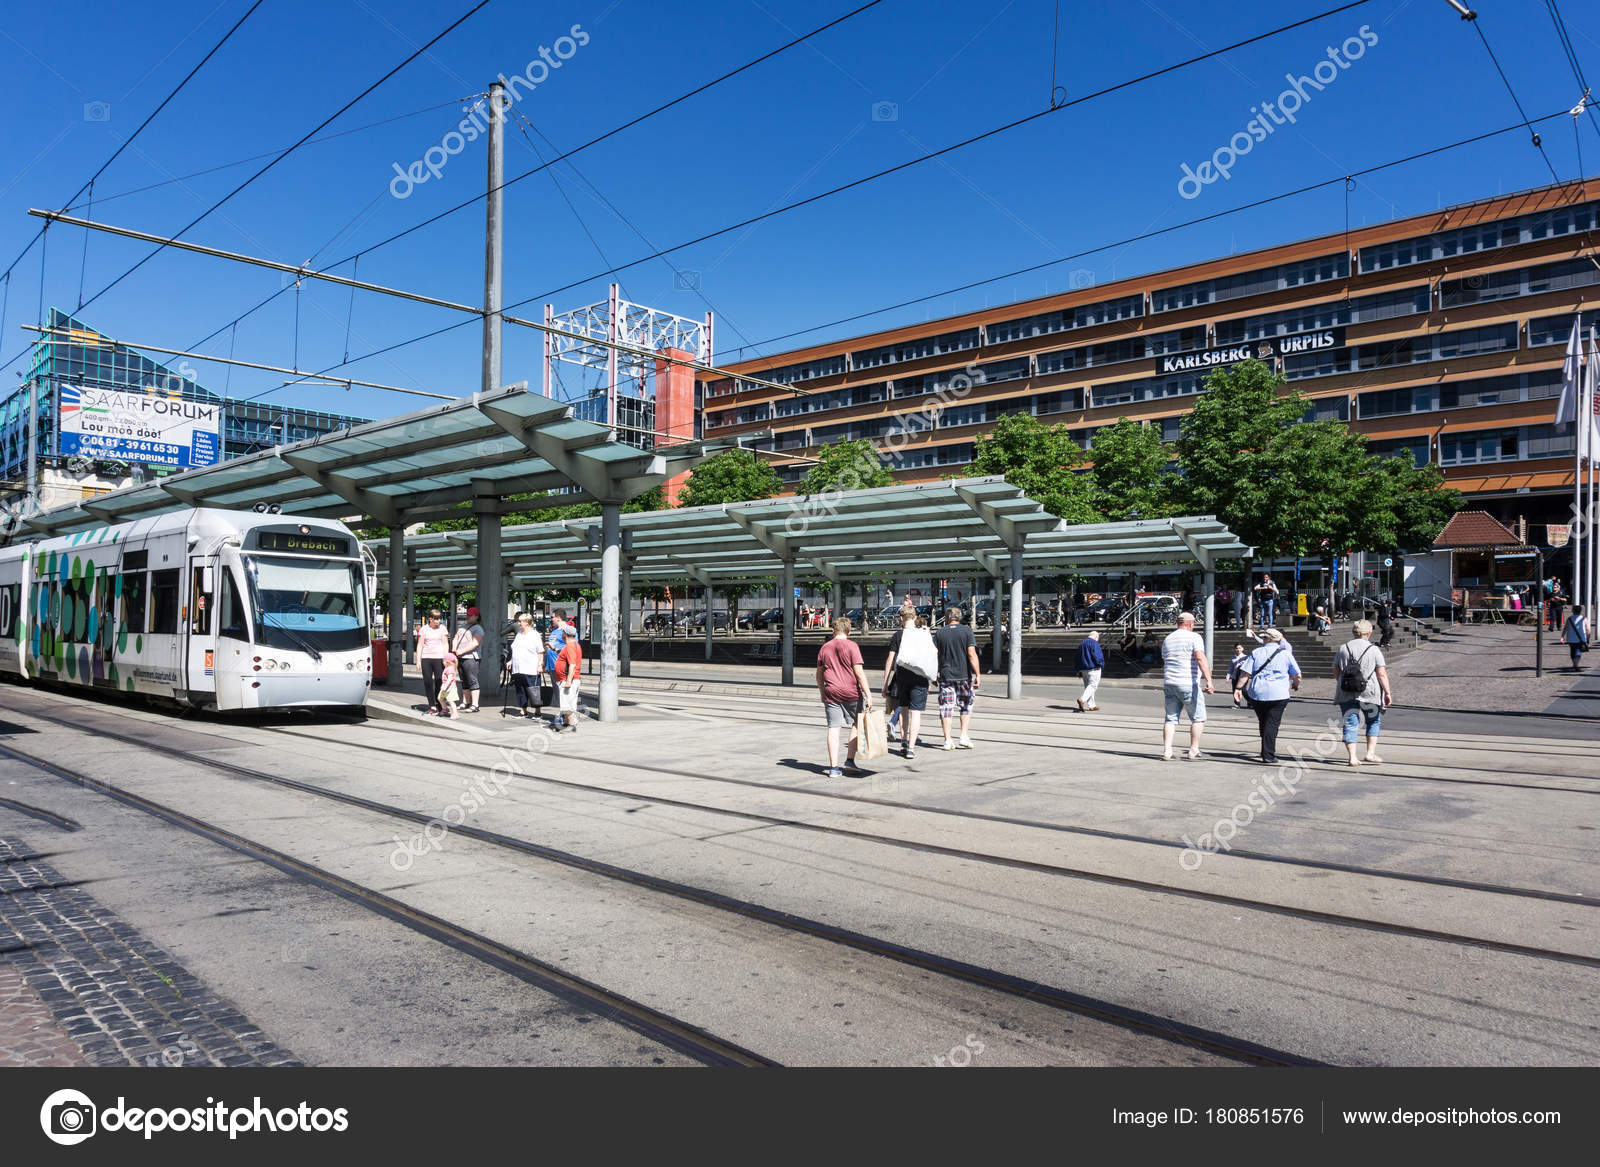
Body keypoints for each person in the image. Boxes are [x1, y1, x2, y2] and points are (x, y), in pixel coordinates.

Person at [1233, 628, 1301, 764]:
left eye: (1264, 638)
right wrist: (1295, 684)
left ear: (1268, 639)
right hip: (1279, 694)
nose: (1263, 640)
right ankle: (1268, 754)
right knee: (1272, 723)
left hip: (1258, 694)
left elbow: (1245, 673)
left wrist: (1238, 688)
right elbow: (1297, 674)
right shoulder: (1286, 654)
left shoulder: (1256, 652)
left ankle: (1265, 749)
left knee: (1263, 721)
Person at [816, 616, 871, 778]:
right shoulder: (852, 646)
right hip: (852, 693)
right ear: (849, 631)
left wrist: (822, 692)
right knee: (856, 724)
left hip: (831, 692)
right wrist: (868, 694)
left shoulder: (825, 648)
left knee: (833, 728)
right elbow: (859, 673)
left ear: (833, 631)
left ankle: (833, 768)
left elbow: (819, 675)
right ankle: (849, 760)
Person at [1333, 618, 1392, 767]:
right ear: (1369, 633)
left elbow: (1336, 670)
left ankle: (1352, 757)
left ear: (1354, 632)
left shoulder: (1343, 648)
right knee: (1373, 721)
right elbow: (1381, 674)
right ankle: (1370, 753)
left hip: (1347, 692)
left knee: (1350, 722)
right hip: (1369, 692)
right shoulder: (1373, 649)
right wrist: (1387, 693)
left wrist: (1343, 683)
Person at [882, 606, 935, 758]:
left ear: (900, 618)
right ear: (915, 617)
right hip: (920, 678)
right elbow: (930, 657)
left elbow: (890, 660)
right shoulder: (924, 634)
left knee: (903, 709)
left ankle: (904, 740)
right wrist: (930, 678)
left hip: (902, 678)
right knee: (916, 713)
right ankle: (911, 748)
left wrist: (885, 684)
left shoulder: (898, 635)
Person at [1160, 611, 1213, 761]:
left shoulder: (1168, 639)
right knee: (1198, 718)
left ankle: (1167, 751)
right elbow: (1200, 658)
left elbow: (1165, 660)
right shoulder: (1194, 637)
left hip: (1169, 682)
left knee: (1170, 718)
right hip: (1188, 682)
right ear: (1190, 623)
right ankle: (1193, 749)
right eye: (1194, 623)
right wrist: (1208, 680)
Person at [934, 605, 981, 748]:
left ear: (947, 618)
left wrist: (933, 674)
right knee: (966, 706)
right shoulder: (967, 631)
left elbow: (933, 655)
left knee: (946, 708)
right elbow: (972, 654)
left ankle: (948, 740)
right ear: (959, 617)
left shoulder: (940, 633)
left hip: (946, 676)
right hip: (964, 676)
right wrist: (978, 674)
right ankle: (964, 736)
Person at [509, 612, 545, 719]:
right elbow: (515, 649)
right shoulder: (519, 634)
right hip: (518, 667)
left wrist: (539, 665)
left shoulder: (535, 635)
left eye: (520, 621)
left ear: (527, 622)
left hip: (530, 667)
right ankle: (523, 710)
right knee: (520, 689)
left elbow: (540, 651)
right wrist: (510, 661)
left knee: (533, 689)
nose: (519, 623)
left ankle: (537, 710)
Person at [452, 605, 486, 712]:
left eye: (470, 615)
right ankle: (465, 702)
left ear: (476, 617)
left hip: (471, 658)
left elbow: (475, 643)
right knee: (464, 681)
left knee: (472, 680)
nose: (468, 617)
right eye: (467, 615)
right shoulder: (462, 627)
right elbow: (456, 638)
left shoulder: (478, 629)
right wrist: (454, 649)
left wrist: (461, 651)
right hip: (460, 657)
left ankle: (475, 705)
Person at [415, 609, 449, 714]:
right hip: (426, 658)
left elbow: (445, 644)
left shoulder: (443, 629)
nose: (439, 621)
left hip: (439, 658)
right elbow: (420, 645)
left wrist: (445, 657)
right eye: (437, 619)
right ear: (430, 619)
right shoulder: (424, 629)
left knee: (440, 681)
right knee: (428, 682)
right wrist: (418, 660)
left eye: (440, 619)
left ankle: (440, 703)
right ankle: (432, 705)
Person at [553, 629, 583, 732]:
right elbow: (566, 656)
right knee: (568, 703)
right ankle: (567, 723)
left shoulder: (570, 646)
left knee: (567, 704)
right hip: (569, 679)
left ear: (565, 634)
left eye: (562, 632)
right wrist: (554, 649)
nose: (561, 634)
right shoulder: (574, 645)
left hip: (567, 679)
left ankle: (570, 725)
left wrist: (568, 681)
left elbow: (572, 664)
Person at [1075, 630, 1104, 712]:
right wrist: (1101, 664)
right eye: (1098, 638)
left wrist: (1078, 670)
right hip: (1093, 668)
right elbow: (1098, 656)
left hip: (1083, 669)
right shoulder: (1094, 643)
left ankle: (1092, 705)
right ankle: (1082, 699)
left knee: (1088, 687)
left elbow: (1077, 658)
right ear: (1096, 637)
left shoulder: (1082, 644)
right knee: (1093, 686)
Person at [1563, 603, 1589, 671]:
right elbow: (1587, 629)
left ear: (1573, 611)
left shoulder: (1569, 618)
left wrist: (1562, 636)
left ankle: (1574, 664)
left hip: (1571, 638)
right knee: (1578, 651)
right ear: (1580, 611)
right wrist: (1588, 637)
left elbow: (1565, 628)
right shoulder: (1584, 618)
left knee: (1573, 651)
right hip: (1581, 638)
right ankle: (1576, 665)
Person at [438, 652, 462, 720]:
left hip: (450, 688)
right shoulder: (447, 668)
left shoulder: (450, 669)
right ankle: (445, 709)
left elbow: (450, 679)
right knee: (440, 698)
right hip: (446, 688)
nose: (442, 662)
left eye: (443, 661)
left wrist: (445, 686)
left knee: (451, 701)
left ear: (447, 662)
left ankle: (455, 714)